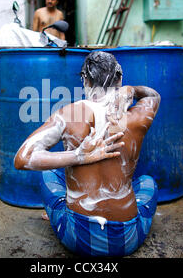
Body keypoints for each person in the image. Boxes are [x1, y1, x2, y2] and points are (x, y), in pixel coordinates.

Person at [14, 51, 160, 257]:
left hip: (79, 238)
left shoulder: (68, 114)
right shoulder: (138, 116)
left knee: (49, 174)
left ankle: (59, 211)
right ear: (120, 77)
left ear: (85, 80)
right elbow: (153, 95)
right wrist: (131, 90)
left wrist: (78, 156)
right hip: (127, 239)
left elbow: (22, 159)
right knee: (147, 182)